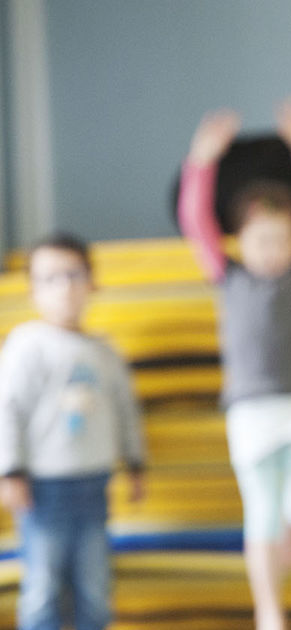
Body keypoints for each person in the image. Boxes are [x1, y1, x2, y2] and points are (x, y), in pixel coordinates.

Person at [177, 97, 291, 630]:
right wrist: (201, 162)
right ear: (239, 242)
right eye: (260, 239)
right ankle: (268, 607)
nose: (272, 249)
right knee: (261, 515)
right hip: (249, 409)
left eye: (281, 239)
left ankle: (290, 536)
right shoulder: (229, 277)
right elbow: (195, 222)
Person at [0, 234, 147, 630]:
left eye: (73, 275)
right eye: (49, 278)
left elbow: (124, 410)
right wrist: (9, 470)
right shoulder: (26, 345)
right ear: (32, 290)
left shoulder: (105, 352)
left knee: (95, 588)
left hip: (95, 484)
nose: (64, 287)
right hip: (42, 491)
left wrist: (135, 462)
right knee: (43, 585)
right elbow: (7, 409)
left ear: (91, 282)